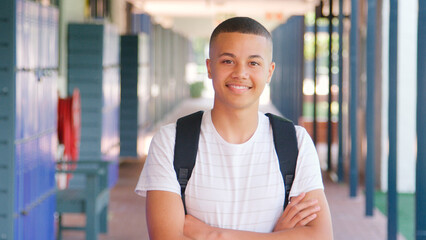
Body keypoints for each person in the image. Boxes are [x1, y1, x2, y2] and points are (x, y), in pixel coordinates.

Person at [135, 16, 333, 240]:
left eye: (254, 63)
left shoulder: (294, 142)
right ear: (210, 68)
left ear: (269, 71)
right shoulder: (171, 141)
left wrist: (214, 234)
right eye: (228, 61)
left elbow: (321, 236)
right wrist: (277, 236)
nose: (241, 73)